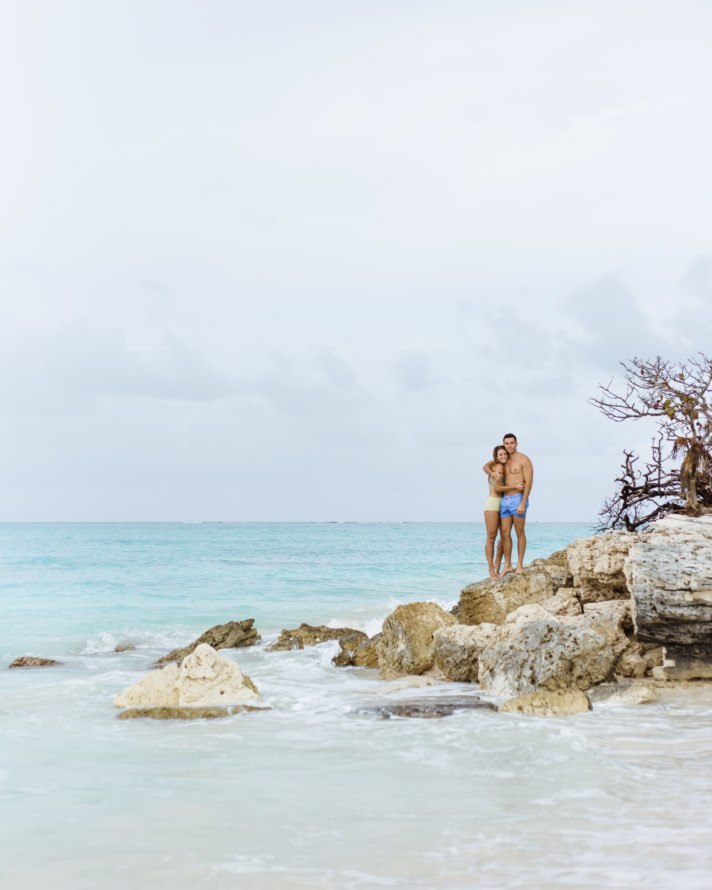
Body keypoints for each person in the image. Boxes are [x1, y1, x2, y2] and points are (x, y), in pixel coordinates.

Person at [483, 445, 524, 579]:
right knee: (491, 538)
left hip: (502, 503)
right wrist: (516, 487)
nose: (504, 457)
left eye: (505, 454)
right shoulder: (498, 467)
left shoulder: (496, 466)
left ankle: (498, 564)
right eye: (500, 455)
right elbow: (499, 488)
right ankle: (491, 571)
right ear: (496, 456)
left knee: (504, 535)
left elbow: (485, 466)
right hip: (493, 504)